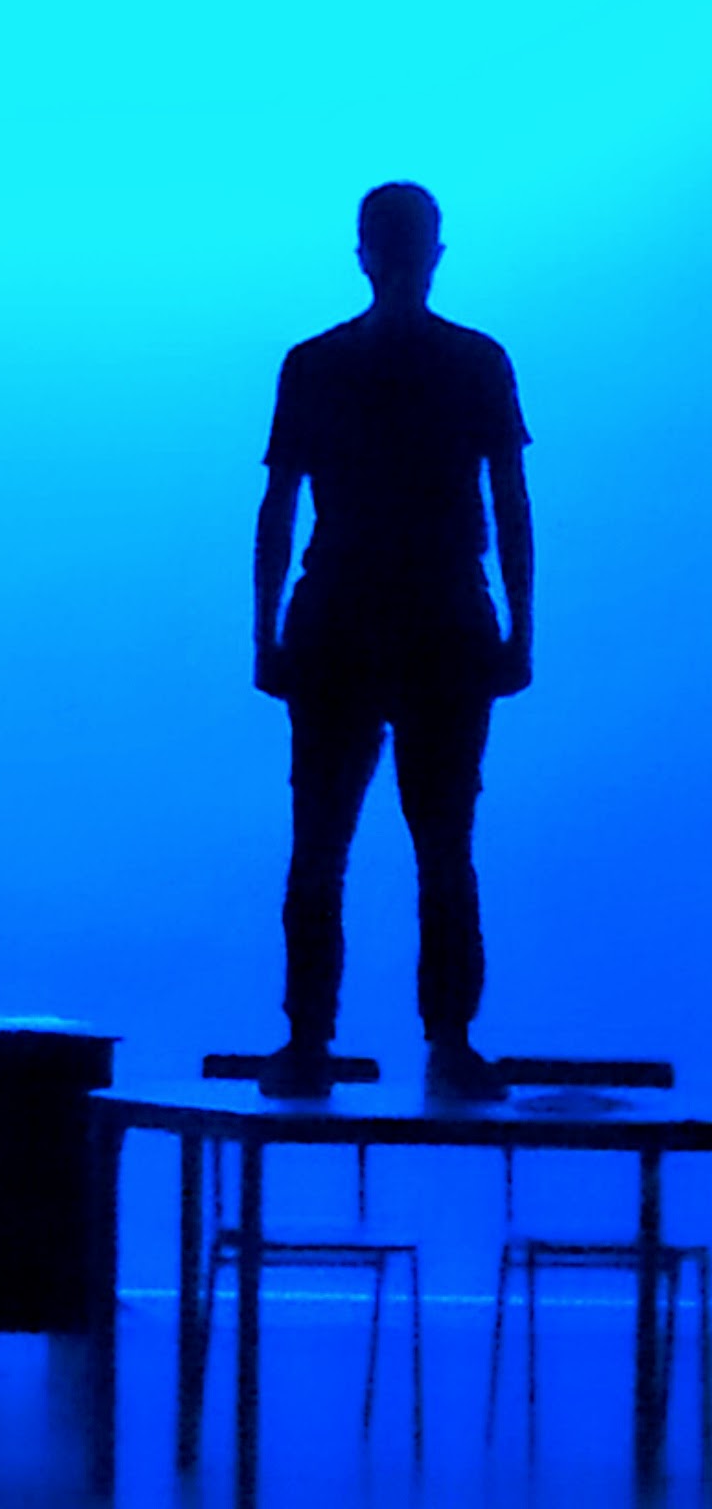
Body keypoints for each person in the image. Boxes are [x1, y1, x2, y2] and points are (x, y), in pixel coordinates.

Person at [251, 183, 533, 1105]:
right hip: (435, 616)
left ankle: (313, 1039)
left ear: (364, 253)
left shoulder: (319, 362)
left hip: (350, 613)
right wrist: (520, 628)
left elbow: (279, 507)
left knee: (331, 842)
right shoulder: (472, 360)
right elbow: (510, 505)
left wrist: (264, 632)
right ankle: (441, 1041)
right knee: (435, 843)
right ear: (433, 253)